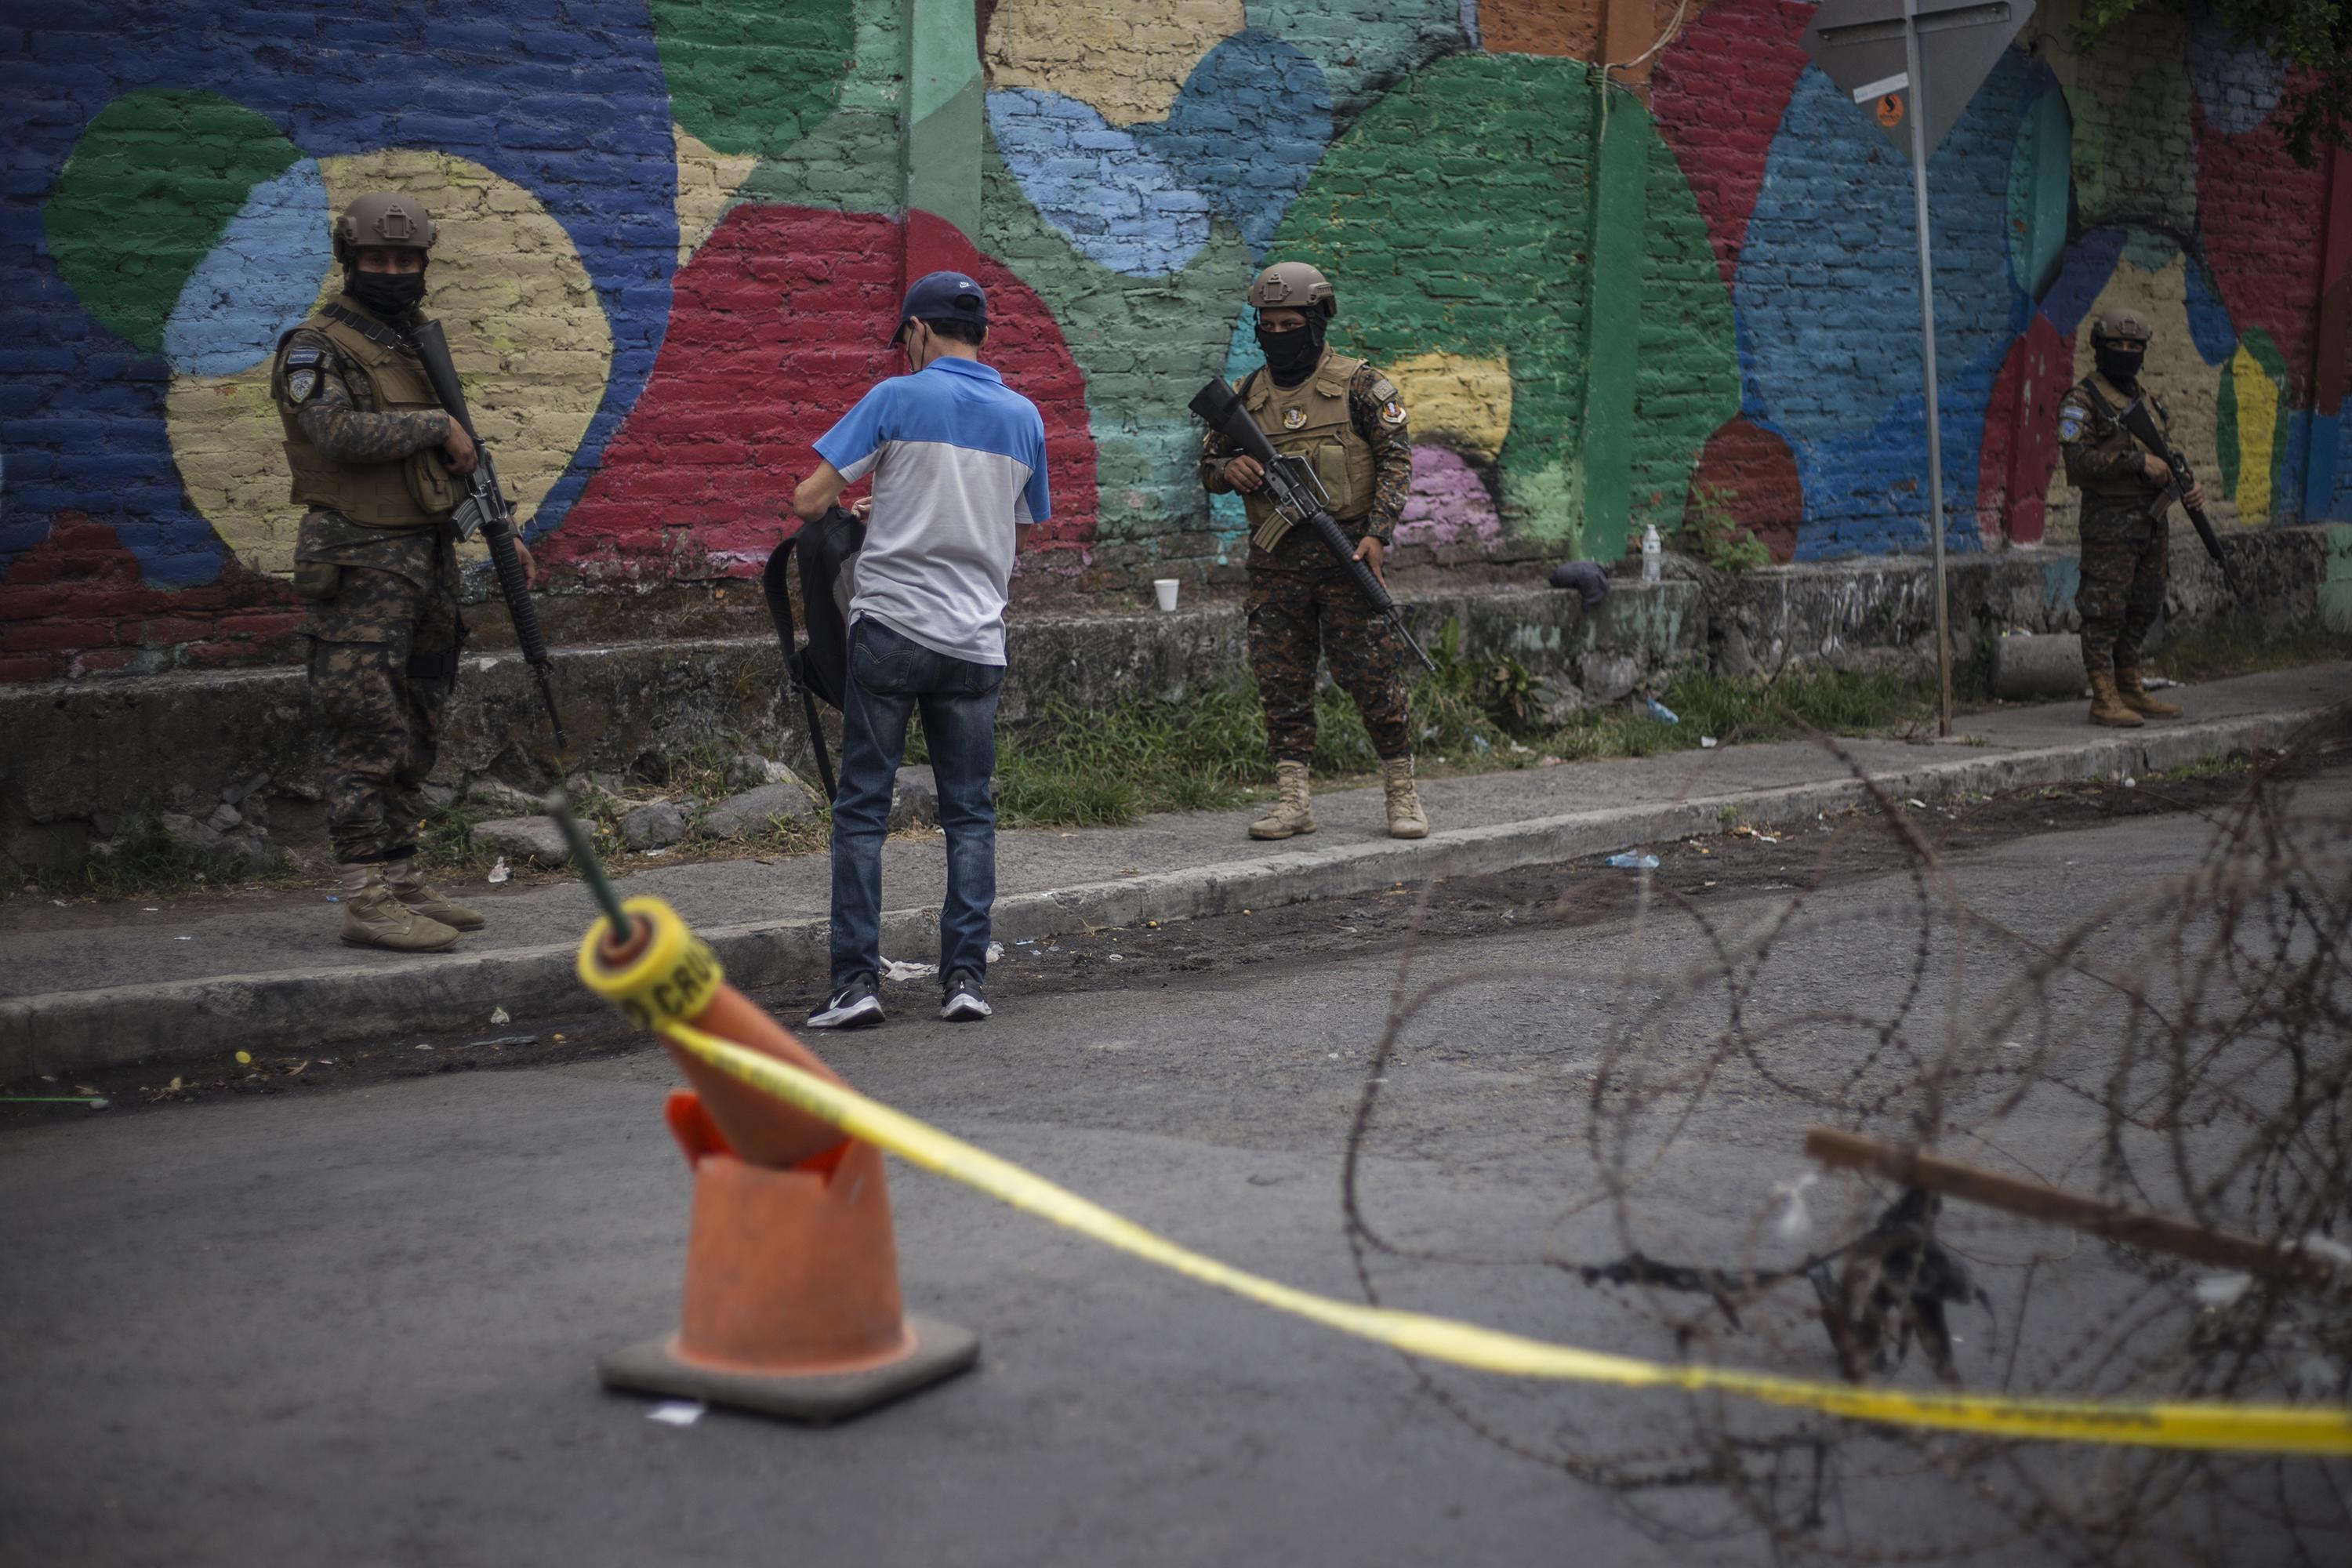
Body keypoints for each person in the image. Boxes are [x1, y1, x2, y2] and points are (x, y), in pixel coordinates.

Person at [790, 271, 1048, 1028]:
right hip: (976, 643)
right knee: (969, 813)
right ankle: (965, 979)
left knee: (863, 810)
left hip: (893, 631)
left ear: (920, 333)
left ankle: (855, 985)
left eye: (906, 336)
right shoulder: (1024, 415)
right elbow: (1018, 531)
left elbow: (809, 501)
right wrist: (916, 509)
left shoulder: (895, 398)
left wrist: (882, 512)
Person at [274, 193, 532, 951]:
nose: (393, 271)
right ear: (349, 260)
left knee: (420, 718)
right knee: (363, 728)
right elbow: (331, 431)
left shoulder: (411, 345)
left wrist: (499, 526)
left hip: (425, 560)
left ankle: (401, 872)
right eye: (378, 260)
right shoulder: (316, 347)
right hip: (357, 563)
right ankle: (363, 894)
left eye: (406, 259)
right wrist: (434, 423)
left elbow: (457, 457)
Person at [1198, 261, 1427, 841]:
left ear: (1318, 321)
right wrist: (1232, 468)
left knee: (1373, 678)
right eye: (1267, 325)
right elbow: (1206, 466)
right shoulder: (1247, 396)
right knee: (1282, 682)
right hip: (1276, 565)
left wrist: (1377, 532)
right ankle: (1292, 801)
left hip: (1347, 555)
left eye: (1289, 323)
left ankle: (1402, 794)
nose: (1278, 335)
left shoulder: (1360, 386)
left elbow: (1397, 461)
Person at [2056, 308, 2203, 728]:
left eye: (2134, 347)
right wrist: (2136, 463)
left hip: (2152, 521)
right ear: (2099, 348)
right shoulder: (2082, 401)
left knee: (2144, 604)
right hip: (2110, 521)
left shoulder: (2149, 403)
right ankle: (2103, 697)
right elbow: (2078, 462)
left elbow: (2167, 456)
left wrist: (2186, 482)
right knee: (2104, 608)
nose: (2125, 353)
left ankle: (2130, 686)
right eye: (2116, 346)